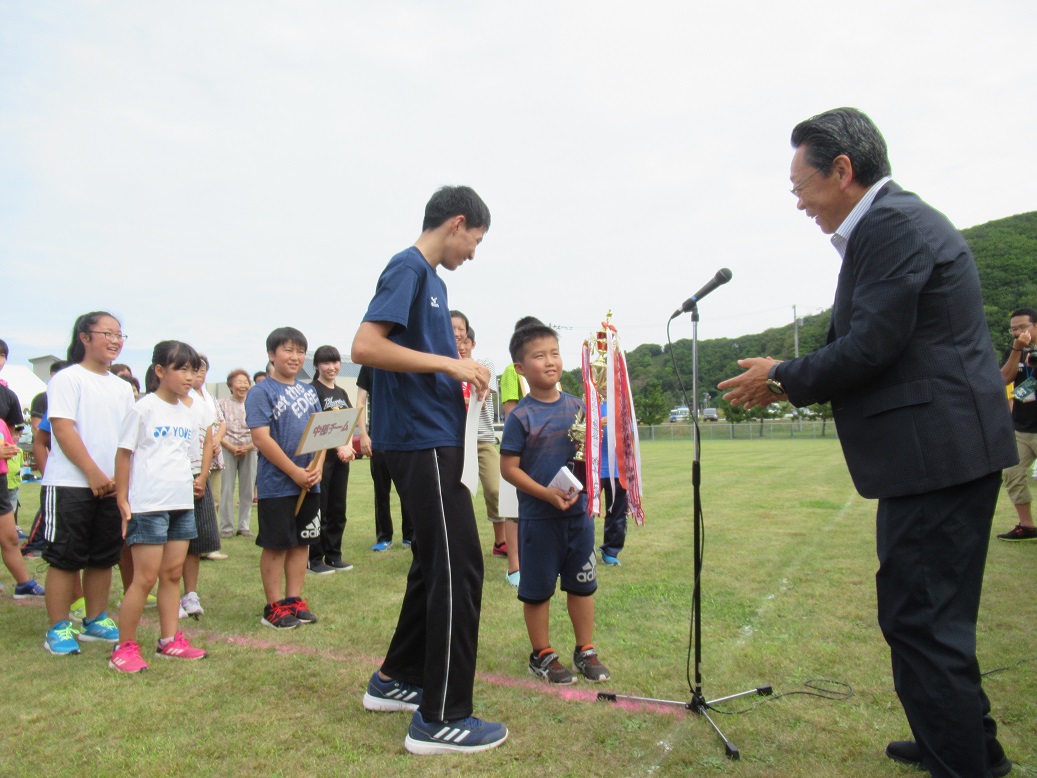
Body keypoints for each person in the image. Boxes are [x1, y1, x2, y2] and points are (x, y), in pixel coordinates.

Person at [718, 107, 1017, 778]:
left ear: (842, 171)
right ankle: (969, 744)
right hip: (933, 456)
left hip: (935, 456)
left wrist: (784, 377)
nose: (796, 199)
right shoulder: (894, 225)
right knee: (928, 615)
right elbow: (869, 341)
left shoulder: (892, 225)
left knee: (923, 620)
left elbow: (871, 346)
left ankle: (959, 761)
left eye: (800, 184)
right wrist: (784, 377)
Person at [351, 185, 507, 755]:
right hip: (420, 443)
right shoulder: (408, 268)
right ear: (457, 223)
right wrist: (450, 362)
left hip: (437, 439)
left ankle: (396, 679)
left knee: (433, 564)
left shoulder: (434, 283)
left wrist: (460, 375)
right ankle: (441, 717)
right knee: (459, 568)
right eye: (476, 240)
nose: (474, 252)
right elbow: (365, 346)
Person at [499, 323, 610, 686]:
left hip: (577, 518)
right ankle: (542, 654)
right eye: (539, 355)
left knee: (583, 584)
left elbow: (587, 457)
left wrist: (598, 429)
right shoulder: (520, 417)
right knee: (538, 589)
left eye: (554, 353)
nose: (550, 361)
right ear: (520, 368)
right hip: (538, 519)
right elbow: (509, 469)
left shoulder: (579, 407)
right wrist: (546, 493)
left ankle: (586, 649)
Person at [40, 312, 135, 655]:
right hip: (70, 485)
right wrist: (93, 473)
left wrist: (119, 483)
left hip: (111, 486)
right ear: (84, 337)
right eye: (107, 333)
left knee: (102, 557)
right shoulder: (67, 379)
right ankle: (58, 628)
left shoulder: (123, 387)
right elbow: (63, 430)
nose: (115, 340)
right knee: (65, 558)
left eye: (120, 335)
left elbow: (127, 440)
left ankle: (95, 619)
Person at [111, 341, 207, 673]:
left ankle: (170, 641)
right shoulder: (144, 408)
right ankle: (123, 647)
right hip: (149, 505)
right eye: (181, 368)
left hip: (181, 503)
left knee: (172, 574)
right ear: (160, 371)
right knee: (145, 578)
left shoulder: (188, 411)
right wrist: (123, 499)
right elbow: (124, 455)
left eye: (193, 370)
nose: (189, 376)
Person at [245, 326, 322, 629]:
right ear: (271, 354)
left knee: (302, 542)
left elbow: (324, 431)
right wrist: (294, 472)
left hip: (310, 482)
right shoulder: (261, 392)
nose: (295, 356)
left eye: (300, 351)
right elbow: (261, 439)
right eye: (288, 350)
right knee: (277, 544)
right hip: (277, 484)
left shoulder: (309, 390)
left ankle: (294, 600)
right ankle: (274, 606)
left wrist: (316, 467)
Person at [450, 313, 504, 558]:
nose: (461, 347)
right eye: (457, 344)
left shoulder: (485, 365)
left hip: (482, 438)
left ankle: (501, 541)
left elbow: (480, 398)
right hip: (453, 440)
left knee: (495, 489)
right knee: (456, 494)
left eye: (466, 343)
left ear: (472, 343)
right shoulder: (447, 368)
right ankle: (457, 545)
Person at [497, 315, 543, 587]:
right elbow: (511, 410)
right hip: (520, 445)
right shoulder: (512, 371)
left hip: (544, 449)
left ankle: (539, 559)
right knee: (513, 507)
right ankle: (514, 566)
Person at [308, 345, 356, 574]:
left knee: (338, 508)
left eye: (335, 362)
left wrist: (347, 447)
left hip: (340, 458)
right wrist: (339, 446)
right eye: (326, 363)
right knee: (320, 508)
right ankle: (315, 558)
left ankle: (334, 555)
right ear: (317, 365)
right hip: (320, 458)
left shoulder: (341, 393)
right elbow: (318, 425)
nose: (331, 367)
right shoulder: (312, 391)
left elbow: (347, 422)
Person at [355, 364, 413, 551]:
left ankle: (410, 536)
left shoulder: (401, 359)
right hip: (377, 439)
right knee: (381, 491)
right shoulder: (369, 366)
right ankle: (384, 537)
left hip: (403, 438)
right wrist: (363, 434)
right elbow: (360, 402)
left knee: (407, 490)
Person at [997, 307, 1037, 541]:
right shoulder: (1016, 350)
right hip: (1021, 426)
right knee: (1012, 473)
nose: (1018, 332)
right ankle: (1027, 526)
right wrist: (1017, 350)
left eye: (1023, 327)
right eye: (1014, 329)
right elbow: (1004, 378)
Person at [218, 369, 257, 538]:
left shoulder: (254, 403)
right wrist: (231, 447)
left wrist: (248, 447)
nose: (243, 385)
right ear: (230, 385)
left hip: (250, 448)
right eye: (239, 382)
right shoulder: (222, 404)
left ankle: (244, 525)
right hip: (227, 449)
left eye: (245, 382)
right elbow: (218, 428)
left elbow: (262, 429)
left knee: (247, 488)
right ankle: (226, 527)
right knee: (226, 488)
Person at [597, 398, 628, 566]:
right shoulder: (589, 402)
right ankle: (580, 550)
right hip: (594, 469)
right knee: (584, 511)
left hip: (617, 469)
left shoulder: (621, 403)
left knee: (617, 513)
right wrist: (597, 424)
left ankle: (611, 551)